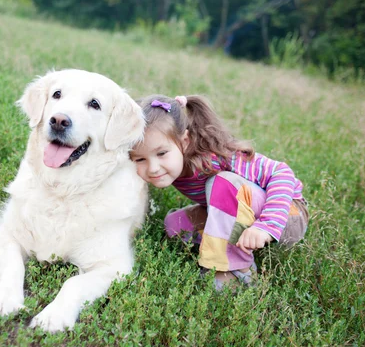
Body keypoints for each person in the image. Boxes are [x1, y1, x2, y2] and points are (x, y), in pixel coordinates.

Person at [129, 94, 309, 288]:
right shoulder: (173, 165)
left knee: (221, 182)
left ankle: (237, 270)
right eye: (140, 159)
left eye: (161, 153)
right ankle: (224, 243)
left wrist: (266, 225)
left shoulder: (216, 157)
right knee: (175, 225)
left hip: (287, 217)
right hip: (245, 215)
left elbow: (281, 173)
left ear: (185, 141)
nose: (153, 167)